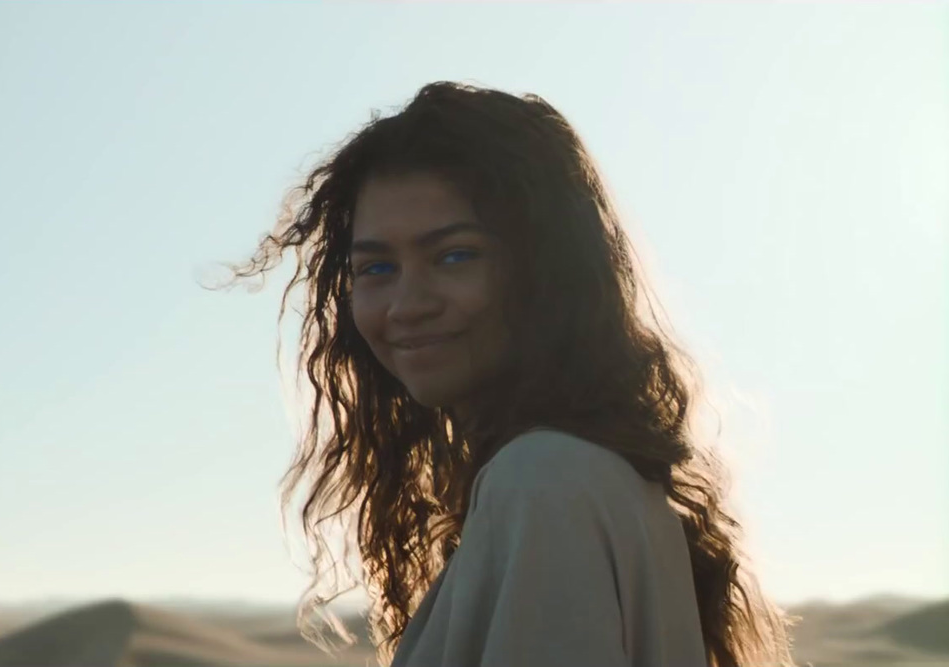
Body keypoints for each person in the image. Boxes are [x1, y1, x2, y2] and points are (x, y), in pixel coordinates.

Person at [218, 82, 798, 666]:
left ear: (545, 269)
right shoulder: (579, 476)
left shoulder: (545, 480)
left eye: (455, 255)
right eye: (376, 267)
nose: (406, 304)